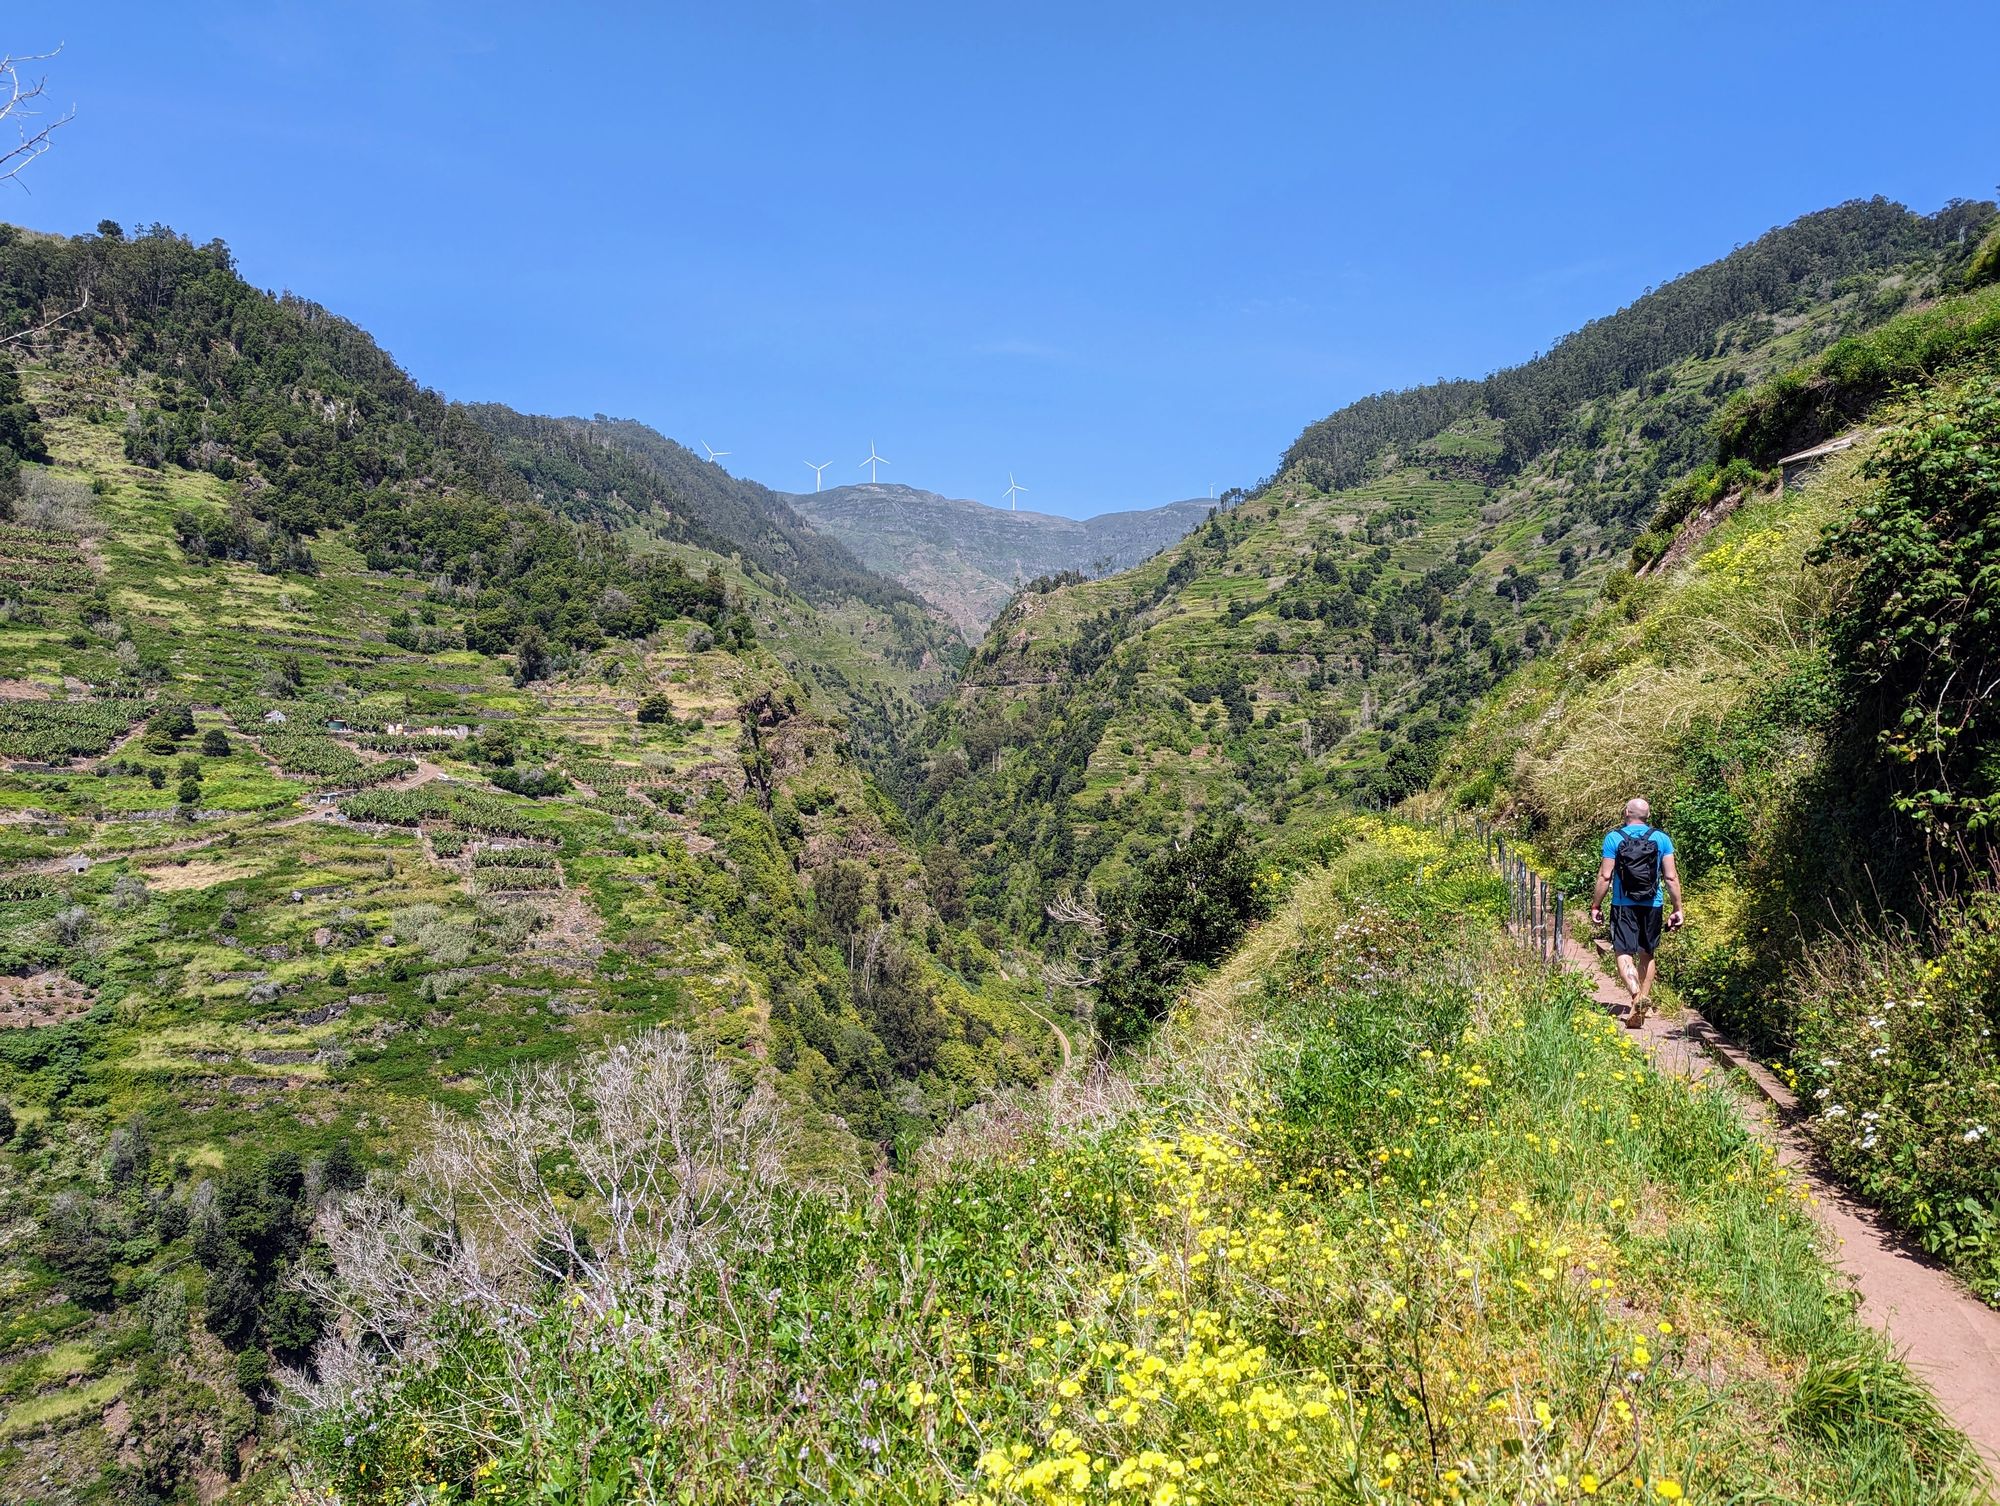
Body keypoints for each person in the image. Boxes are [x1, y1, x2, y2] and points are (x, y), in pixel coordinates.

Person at [1589, 797, 1683, 1028]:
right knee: (1647, 952)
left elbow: (1605, 876)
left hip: (1623, 904)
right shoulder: (1661, 839)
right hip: (1653, 904)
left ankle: (1636, 996)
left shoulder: (1614, 838)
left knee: (1623, 951)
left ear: (1626, 813)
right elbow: (1670, 877)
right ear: (1647, 815)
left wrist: (1596, 905)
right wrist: (1677, 908)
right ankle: (1644, 1002)